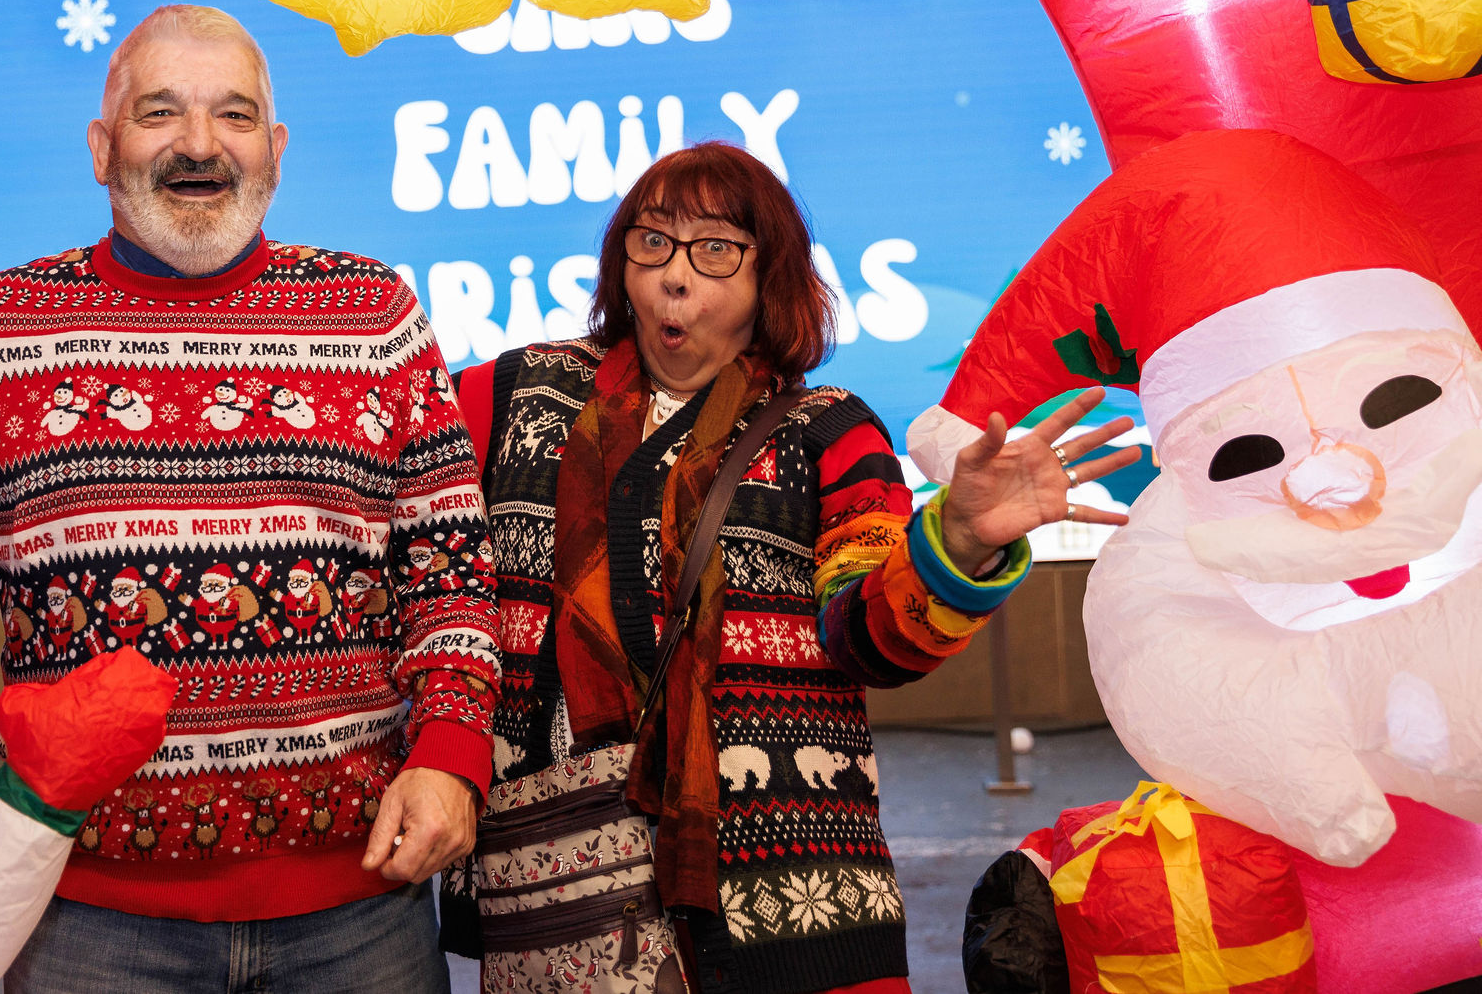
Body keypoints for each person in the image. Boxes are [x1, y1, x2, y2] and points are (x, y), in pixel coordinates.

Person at [0, 4, 501, 993]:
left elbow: (451, 576)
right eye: (160, 112)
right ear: (101, 148)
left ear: (275, 149)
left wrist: (449, 756)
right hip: (74, 918)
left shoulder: (375, 318)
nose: (200, 143)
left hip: (360, 912)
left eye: (234, 114)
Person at [441, 142, 1140, 993]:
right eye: (652, 241)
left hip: (792, 900)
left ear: (768, 276)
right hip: (562, 897)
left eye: (714, 250)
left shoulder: (827, 428)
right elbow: (410, 529)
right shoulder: (511, 395)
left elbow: (868, 638)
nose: (674, 276)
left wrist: (958, 543)